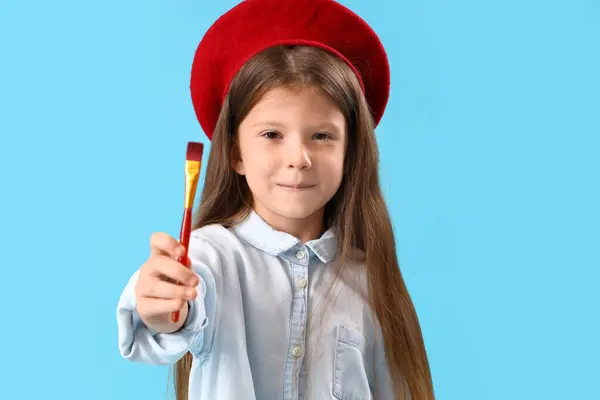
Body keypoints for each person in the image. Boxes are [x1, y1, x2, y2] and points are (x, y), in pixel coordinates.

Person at [116, 0, 435, 399]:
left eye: (322, 136)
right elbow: (174, 312)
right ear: (235, 153)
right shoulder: (211, 257)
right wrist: (160, 305)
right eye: (272, 135)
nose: (298, 159)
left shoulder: (369, 283)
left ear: (350, 152)